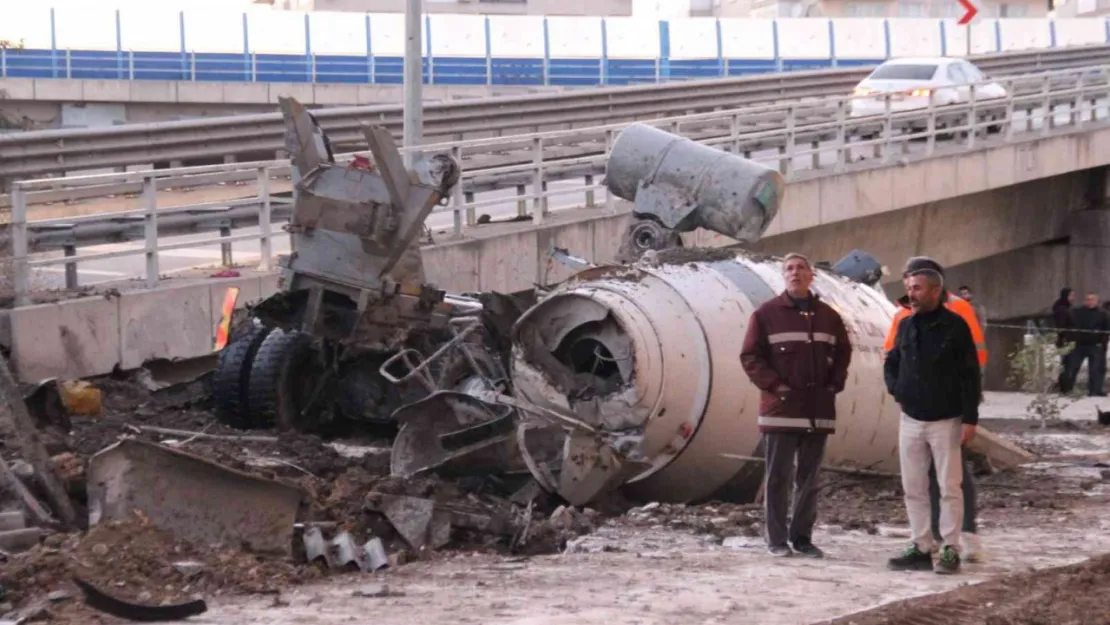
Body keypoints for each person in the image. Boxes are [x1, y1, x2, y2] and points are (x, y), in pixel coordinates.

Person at [741, 253, 852, 559]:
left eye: (801, 267)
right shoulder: (766, 315)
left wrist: (834, 384)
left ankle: (802, 538)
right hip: (782, 411)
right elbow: (750, 357)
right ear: (783, 276)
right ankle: (776, 540)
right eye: (789, 269)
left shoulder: (829, 316)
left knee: (810, 479)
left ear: (811, 275)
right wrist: (777, 387)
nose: (795, 273)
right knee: (778, 477)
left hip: (818, 412)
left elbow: (843, 353)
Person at [883, 258, 984, 563]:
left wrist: (969, 418)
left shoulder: (955, 326)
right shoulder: (905, 324)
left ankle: (951, 547)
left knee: (949, 486)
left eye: (917, 288)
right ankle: (921, 545)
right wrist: (897, 390)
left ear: (935, 290)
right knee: (913, 486)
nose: (910, 294)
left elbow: (970, 374)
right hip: (911, 418)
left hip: (946, 419)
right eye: (908, 288)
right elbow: (892, 362)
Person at [1061, 292, 1109, 397]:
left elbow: (1106, 330)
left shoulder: (1103, 314)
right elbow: (1067, 326)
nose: (1090, 301)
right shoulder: (1075, 312)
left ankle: (1095, 391)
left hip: (1095, 345)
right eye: (1088, 299)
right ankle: (1067, 390)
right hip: (1078, 345)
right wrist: (1070, 339)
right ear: (1085, 300)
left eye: (1093, 299)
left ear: (1097, 301)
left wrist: (1103, 344)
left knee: (1097, 369)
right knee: (1071, 367)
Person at [1053, 288, 1077, 392]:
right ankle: (1064, 387)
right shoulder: (1061, 309)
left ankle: (1064, 385)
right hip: (1065, 340)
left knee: (1067, 363)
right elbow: (1061, 326)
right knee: (1067, 364)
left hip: (1067, 339)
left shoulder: (1066, 307)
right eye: (1071, 295)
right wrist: (1065, 338)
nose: (1073, 298)